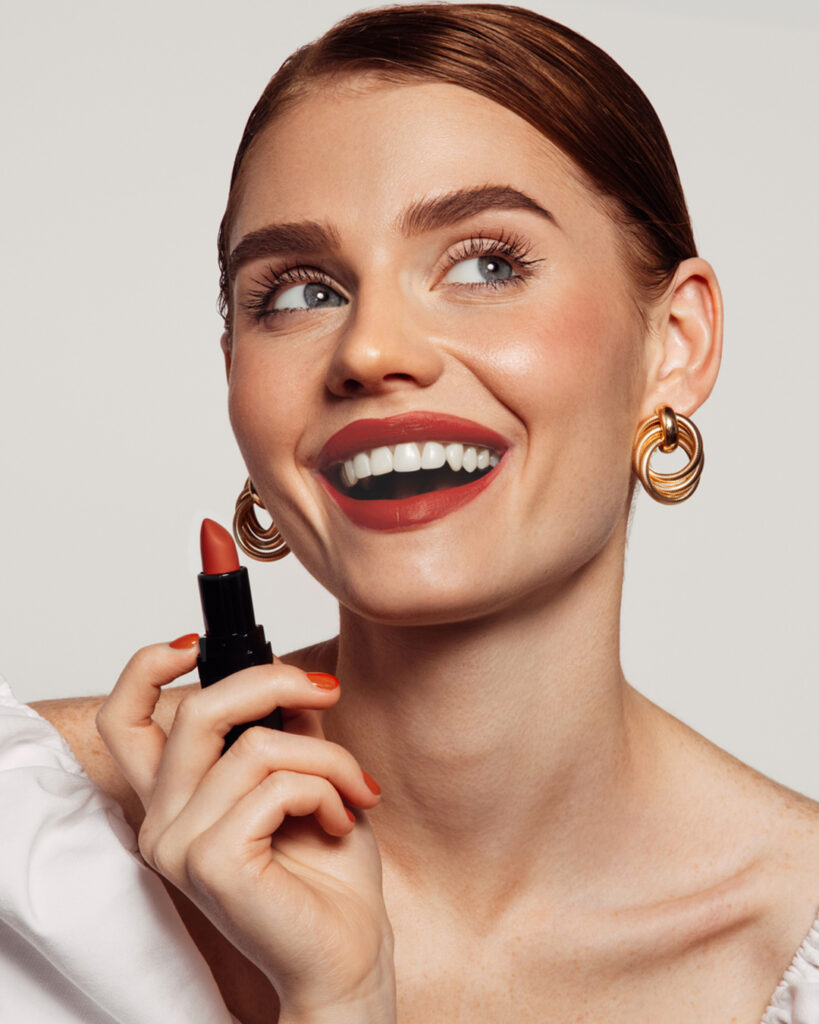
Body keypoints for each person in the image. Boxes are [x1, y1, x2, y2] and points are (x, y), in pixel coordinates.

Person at [1, 4, 817, 1022]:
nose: (370, 350)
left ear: (675, 343)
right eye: (300, 292)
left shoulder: (793, 939)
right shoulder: (23, 858)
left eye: (487, 265)